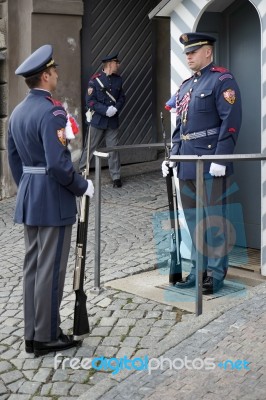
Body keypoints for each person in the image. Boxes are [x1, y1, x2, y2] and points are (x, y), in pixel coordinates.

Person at [7, 44, 94, 356]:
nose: (57, 75)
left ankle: (33, 333)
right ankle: (46, 336)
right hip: (54, 199)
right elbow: (58, 165)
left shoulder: (17, 112)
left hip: (31, 196)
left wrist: (30, 188)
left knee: (33, 266)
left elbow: (15, 162)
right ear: (45, 76)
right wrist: (81, 185)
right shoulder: (52, 111)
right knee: (52, 268)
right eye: (54, 72)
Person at [162, 32, 242, 293]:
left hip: (210, 162)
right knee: (195, 220)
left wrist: (220, 157)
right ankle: (198, 271)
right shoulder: (186, 86)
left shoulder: (222, 80)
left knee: (215, 220)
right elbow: (179, 125)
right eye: (186, 52)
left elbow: (230, 121)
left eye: (193, 51)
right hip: (186, 161)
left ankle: (216, 274)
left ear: (208, 52)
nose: (188, 56)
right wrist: (173, 156)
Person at [79, 53, 126, 188]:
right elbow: (90, 101)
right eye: (116, 62)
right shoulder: (94, 81)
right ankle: (82, 172)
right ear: (110, 63)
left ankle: (116, 177)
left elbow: (122, 98)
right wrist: (105, 110)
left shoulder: (118, 80)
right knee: (90, 147)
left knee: (113, 149)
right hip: (98, 120)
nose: (118, 65)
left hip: (112, 121)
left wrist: (116, 109)